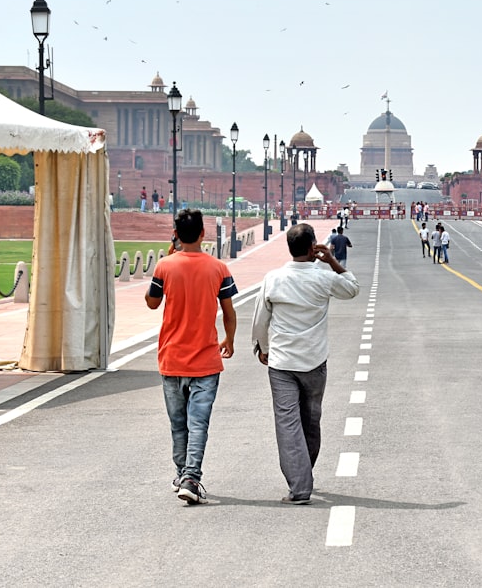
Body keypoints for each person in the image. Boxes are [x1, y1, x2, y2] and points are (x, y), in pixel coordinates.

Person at [251, 223, 360, 504]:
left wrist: (262, 347)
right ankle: (304, 473)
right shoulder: (324, 277)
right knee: (310, 421)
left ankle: (300, 484)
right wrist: (332, 261)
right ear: (313, 247)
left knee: (288, 423)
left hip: (282, 362)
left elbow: (260, 319)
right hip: (313, 361)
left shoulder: (273, 278)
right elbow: (351, 289)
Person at [145, 209, 238, 505]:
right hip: (206, 359)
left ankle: (183, 474)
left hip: (172, 357)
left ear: (177, 234)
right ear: (202, 234)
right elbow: (228, 311)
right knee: (198, 422)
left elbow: (151, 303)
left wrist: (169, 257)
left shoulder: (164, 266)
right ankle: (190, 477)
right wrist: (230, 339)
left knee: (178, 423)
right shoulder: (218, 268)